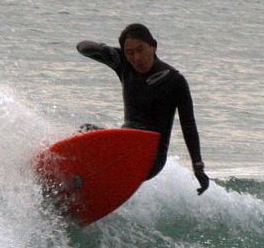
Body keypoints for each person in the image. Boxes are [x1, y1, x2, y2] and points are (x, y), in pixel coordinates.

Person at [76, 23, 210, 195]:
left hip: (151, 155)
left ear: (153, 46)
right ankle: (75, 185)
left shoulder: (174, 80)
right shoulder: (124, 64)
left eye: (140, 49)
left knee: (107, 143)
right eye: (130, 52)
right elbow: (82, 47)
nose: (136, 57)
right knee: (85, 132)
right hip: (125, 143)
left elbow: (189, 125)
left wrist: (198, 167)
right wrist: (104, 50)